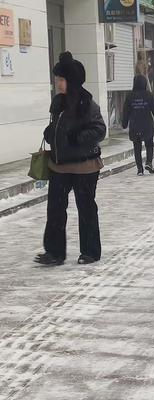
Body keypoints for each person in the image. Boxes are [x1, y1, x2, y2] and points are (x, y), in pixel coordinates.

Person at [35, 51, 106, 266]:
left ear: (72, 80)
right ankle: (55, 253)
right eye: (57, 79)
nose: (58, 83)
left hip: (85, 166)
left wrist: (78, 137)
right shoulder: (58, 102)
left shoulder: (88, 104)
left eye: (61, 79)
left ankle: (90, 252)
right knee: (55, 209)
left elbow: (100, 129)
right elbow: (57, 126)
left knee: (86, 209)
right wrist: (49, 133)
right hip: (59, 166)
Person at [122, 75, 154, 175]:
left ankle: (139, 169)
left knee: (137, 147)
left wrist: (124, 123)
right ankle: (149, 162)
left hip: (135, 124)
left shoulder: (130, 96)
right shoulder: (148, 95)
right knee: (149, 144)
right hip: (146, 124)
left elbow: (126, 111)